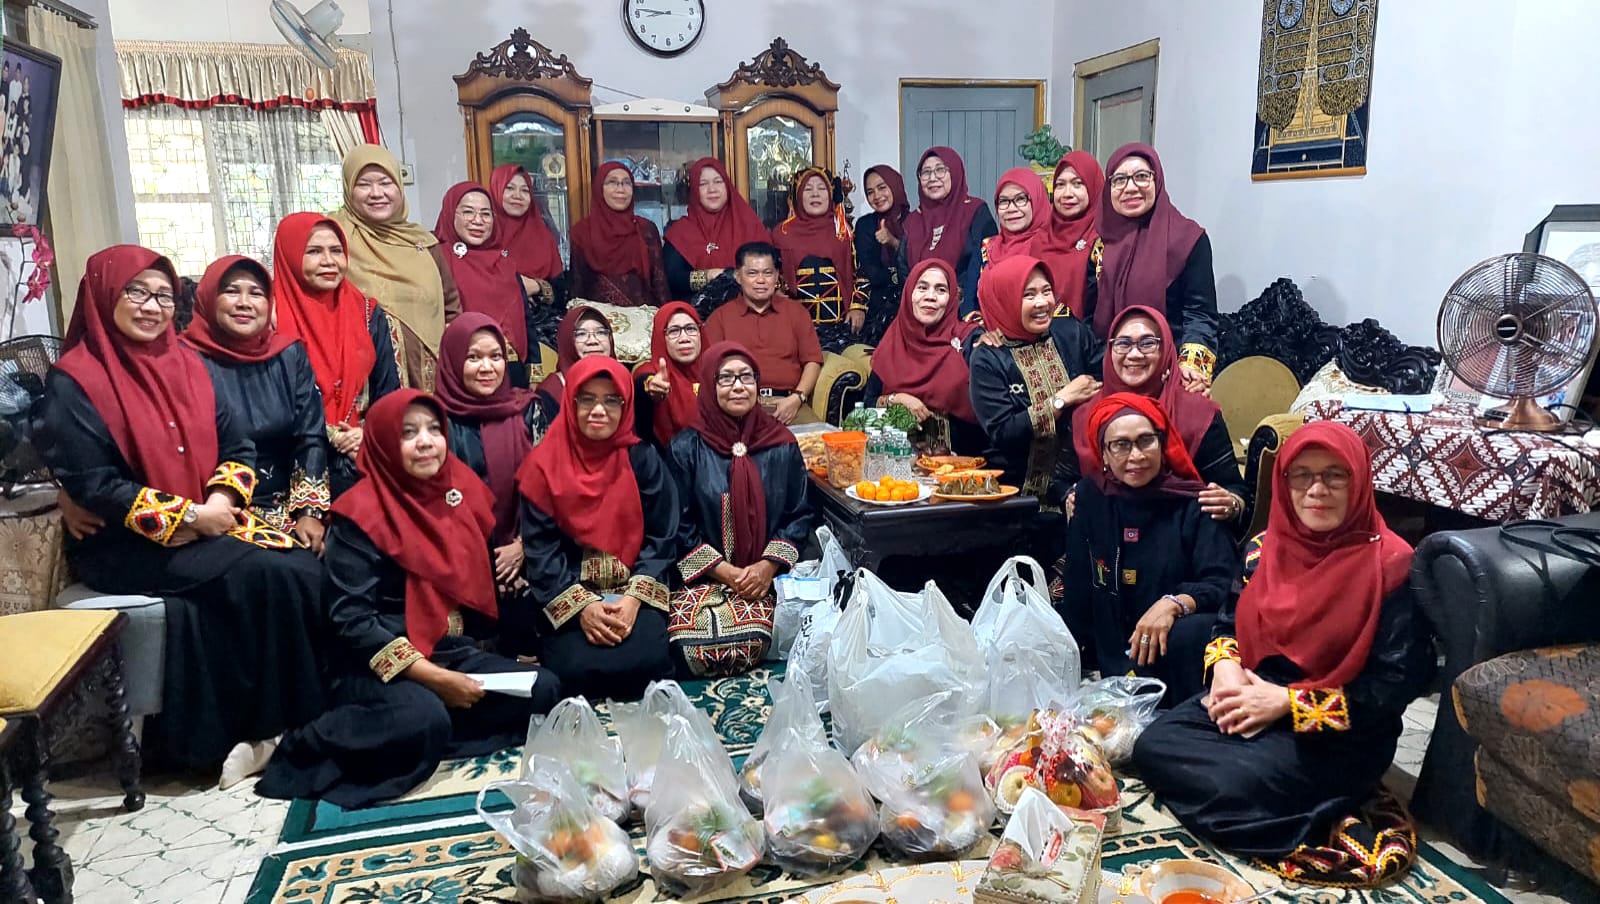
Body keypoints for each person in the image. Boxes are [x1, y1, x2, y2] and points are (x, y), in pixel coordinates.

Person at [38, 245, 326, 774]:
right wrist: (189, 518)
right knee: (272, 574)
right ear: (104, 295)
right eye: (137, 292)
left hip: (206, 522)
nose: (152, 307)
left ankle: (290, 721)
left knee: (302, 567)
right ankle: (276, 725)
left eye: (164, 297)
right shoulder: (73, 381)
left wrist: (217, 504)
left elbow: (237, 446)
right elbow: (95, 485)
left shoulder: (188, 365)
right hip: (122, 544)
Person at [1132, 421, 1435, 887]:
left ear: (1359, 481)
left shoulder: (1393, 568)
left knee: (1231, 785)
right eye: (1302, 475)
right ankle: (1281, 796)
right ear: (1283, 482)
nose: (1317, 490)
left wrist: (1285, 704)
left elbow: (1390, 692)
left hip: (1339, 730)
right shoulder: (1265, 549)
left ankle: (1315, 805)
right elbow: (1228, 622)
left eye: (1335, 475)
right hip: (1258, 693)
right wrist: (1226, 669)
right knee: (1153, 745)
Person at [258, 390, 562, 809]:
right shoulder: (360, 515)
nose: (425, 442)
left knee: (543, 689)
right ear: (383, 442)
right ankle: (304, 741)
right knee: (423, 718)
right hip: (376, 663)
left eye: (434, 430)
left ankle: (420, 731)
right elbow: (352, 622)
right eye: (408, 433)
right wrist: (434, 679)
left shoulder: (459, 493)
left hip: (447, 649)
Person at [518, 357, 679, 699]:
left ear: (626, 405)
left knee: (650, 660)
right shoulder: (543, 467)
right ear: (570, 402)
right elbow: (541, 551)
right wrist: (584, 608)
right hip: (571, 595)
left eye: (611, 400)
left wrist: (633, 599)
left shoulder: (642, 459)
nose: (599, 410)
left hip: (633, 590)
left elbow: (663, 534)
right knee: (573, 669)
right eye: (587, 399)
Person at [1061, 393, 1238, 705]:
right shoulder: (1091, 498)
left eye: (1146, 441)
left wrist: (1175, 603)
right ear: (1103, 453)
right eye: (1121, 444)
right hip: (1113, 661)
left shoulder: (1193, 503)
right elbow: (1078, 585)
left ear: (1163, 444)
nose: (1136, 455)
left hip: (1177, 658)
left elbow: (1224, 583)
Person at [667, 343, 815, 677]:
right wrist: (727, 574)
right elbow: (678, 525)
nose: (738, 386)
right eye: (726, 378)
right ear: (709, 385)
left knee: (772, 637)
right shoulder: (685, 447)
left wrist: (766, 567)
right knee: (692, 650)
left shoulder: (781, 443)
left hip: (767, 578)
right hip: (705, 579)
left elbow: (800, 513)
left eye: (746, 377)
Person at [182, 255, 330, 547]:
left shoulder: (289, 355)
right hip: (218, 504)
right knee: (292, 566)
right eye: (231, 291)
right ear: (208, 297)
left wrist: (309, 512)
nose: (244, 303)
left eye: (256, 293)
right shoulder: (183, 358)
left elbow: (310, 436)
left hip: (288, 498)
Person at [436, 314, 550, 654]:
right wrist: (486, 563)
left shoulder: (527, 411)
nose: (487, 367)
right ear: (453, 360)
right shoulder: (434, 420)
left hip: (524, 555)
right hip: (457, 563)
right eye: (473, 357)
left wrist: (521, 547)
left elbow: (547, 493)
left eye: (495, 356)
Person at [1073, 306, 1246, 523]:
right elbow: (1062, 481)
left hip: (1184, 536)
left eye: (1147, 343)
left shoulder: (1197, 414)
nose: (1134, 354)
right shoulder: (1086, 414)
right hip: (1105, 536)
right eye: (1123, 343)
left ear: (1165, 350)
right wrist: (1069, 497)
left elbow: (1235, 489)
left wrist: (1231, 504)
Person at [272, 213, 403, 497]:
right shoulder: (269, 320)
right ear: (290, 256)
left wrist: (367, 434)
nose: (329, 261)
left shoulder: (368, 314)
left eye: (336, 251)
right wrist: (330, 435)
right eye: (314, 252)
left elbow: (388, 394)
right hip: (289, 461)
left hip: (360, 453)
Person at [968, 255, 1101, 513]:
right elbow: (1003, 432)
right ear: (1005, 299)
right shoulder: (988, 358)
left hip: (1077, 492)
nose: (1042, 302)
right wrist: (1060, 400)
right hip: (1014, 500)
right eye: (1028, 295)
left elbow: (1103, 377)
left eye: (1046, 291)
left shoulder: (1071, 333)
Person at [1084, 143, 1220, 393]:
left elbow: (1200, 314)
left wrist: (1190, 367)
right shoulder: (1101, 246)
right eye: (1119, 180)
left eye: (1141, 176)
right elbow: (1090, 319)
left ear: (1157, 181)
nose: (1130, 187)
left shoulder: (1188, 239)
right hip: (1110, 370)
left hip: (1170, 373)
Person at [331, 144, 462, 391]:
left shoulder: (424, 243)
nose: (376, 193)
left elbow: (452, 309)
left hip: (427, 382)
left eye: (385, 183)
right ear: (348, 188)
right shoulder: (334, 239)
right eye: (363, 184)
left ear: (399, 188)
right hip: (364, 384)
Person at [863, 259, 985, 456]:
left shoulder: (969, 339)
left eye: (941, 290)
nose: (930, 297)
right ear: (909, 293)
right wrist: (896, 399)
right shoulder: (893, 340)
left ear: (952, 298)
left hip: (961, 465)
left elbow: (988, 414)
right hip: (898, 462)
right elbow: (868, 404)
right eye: (922, 288)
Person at [703, 242, 824, 425]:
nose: (761, 280)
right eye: (752, 273)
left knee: (820, 439)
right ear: (738, 276)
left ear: (776, 276)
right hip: (737, 405)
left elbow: (812, 361)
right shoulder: (720, 318)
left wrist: (797, 398)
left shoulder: (796, 312)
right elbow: (709, 370)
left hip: (788, 404)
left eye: (767, 273)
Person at [433, 181, 533, 386]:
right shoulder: (437, 260)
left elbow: (525, 318)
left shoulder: (503, 262)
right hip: (464, 370)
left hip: (511, 370)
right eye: (468, 212)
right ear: (451, 213)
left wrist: (534, 371)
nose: (478, 221)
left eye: (486, 214)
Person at [770, 166, 864, 354]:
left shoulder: (843, 231)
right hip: (795, 329)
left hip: (842, 326)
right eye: (808, 189)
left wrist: (858, 307)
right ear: (797, 195)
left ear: (830, 194)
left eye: (821, 188)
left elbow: (862, 273)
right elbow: (771, 274)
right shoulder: (782, 233)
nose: (815, 194)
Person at [899, 146, 998, 312]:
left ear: (955, 172)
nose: (932, 178)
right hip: (922, 310)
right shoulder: (912, 220)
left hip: (965, 309)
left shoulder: (975, 211)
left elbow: (987, 262)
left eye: (940, 170)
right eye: (926, 172)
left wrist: (956, 293)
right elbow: (903, 268)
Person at [663, 158, 769, 301]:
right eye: (703, 183)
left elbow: (769, 271)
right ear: (694, 190)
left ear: (727, 186)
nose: (712, 189)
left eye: (718, 181)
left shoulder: (750, 225)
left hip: (750, 308)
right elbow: (673, 280)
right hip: (698, 311)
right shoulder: (680, 232)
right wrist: (708, 276)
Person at [568, 162, 669, 307]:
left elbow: (660, 284)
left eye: (626, 183)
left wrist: (667, 316)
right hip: (598, 318)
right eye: (612, 182)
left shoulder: (646, 229)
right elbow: (577, 288)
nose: (621, 189)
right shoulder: (582, 233)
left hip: (643, 316)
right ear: (599, 188)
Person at [489, 163, 565, 349]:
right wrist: (516, 287)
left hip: (542, 329)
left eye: (525, 190)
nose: (518, 195)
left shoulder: (543, 236)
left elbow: (561, 294)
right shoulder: (484, 235)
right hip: (493, 330)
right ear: (496, 190)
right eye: (509, 188)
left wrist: (537, 286)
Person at [967, 167, 1048, 315]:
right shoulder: (987, 248)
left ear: (1037, 200)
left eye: (1020, 199)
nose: (1011, 209)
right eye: (1004, 201)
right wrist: (982, 328)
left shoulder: (1052, 246)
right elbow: (969, 305)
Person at [1032, 151, 1104, 319]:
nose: (1067, 193)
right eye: (1060, 185)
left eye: (1077, 184)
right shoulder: (1040, 239)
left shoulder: (1103, 239)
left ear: (1094, 187)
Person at [852, 164, 910, 344]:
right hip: (876, 310)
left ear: (895, 185)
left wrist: (893, 242)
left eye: (882, 187)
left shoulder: (916, 221)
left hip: (912, 306)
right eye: (870, 192)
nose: (877, 196)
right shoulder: (865, 225)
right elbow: (869, 272)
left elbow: (919, 265)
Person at [634, 301, 703, 449]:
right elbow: (643, 381)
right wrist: (650, 387)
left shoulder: (717, 370)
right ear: (660, 337)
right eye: (674, 331)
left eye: (691, 329)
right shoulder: (652, 371)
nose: (684, 338)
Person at [534, 304, 615, 422]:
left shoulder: (623, 381)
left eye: (601, 332)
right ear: (567, 341)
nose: (593, 341)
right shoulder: (553, 390)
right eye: (581, 334)